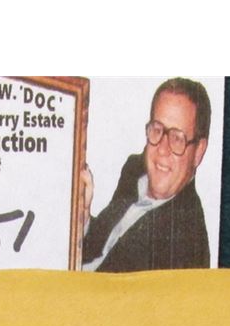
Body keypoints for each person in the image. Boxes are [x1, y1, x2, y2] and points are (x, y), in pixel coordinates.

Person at [80, 78, 212, 272]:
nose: (162, 149)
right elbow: (104, 246)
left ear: (198, 151)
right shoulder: (135, 171)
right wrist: (82, 218)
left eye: (177, 138)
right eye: (157, 129)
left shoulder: (186, 246)